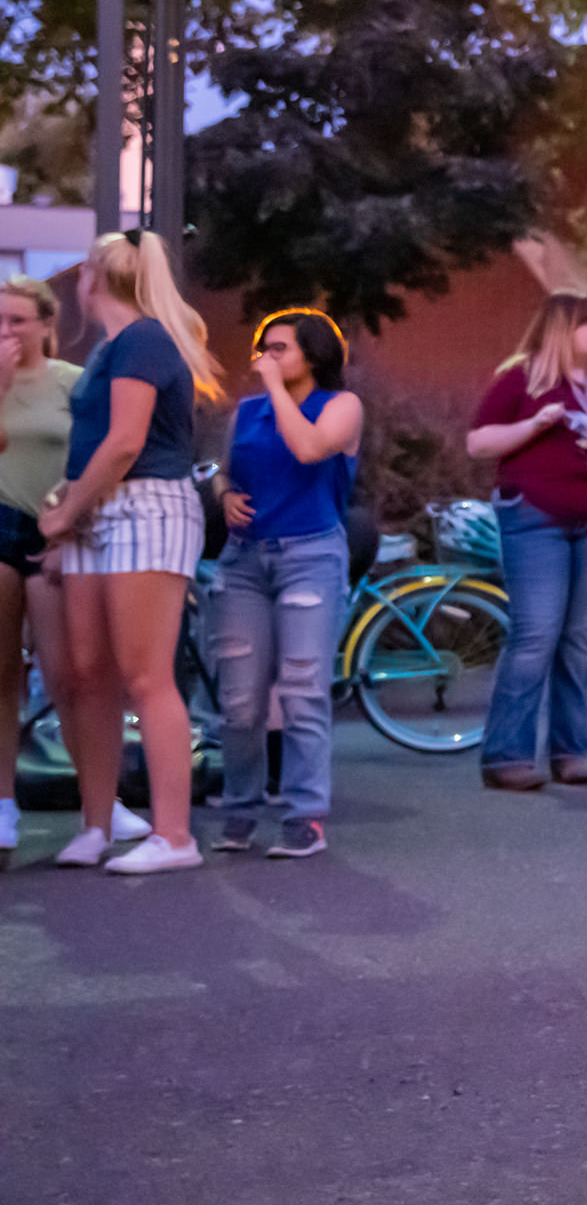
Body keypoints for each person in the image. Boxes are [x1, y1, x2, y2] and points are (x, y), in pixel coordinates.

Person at [40, 230, 223, 874]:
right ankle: (97, 824)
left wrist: (66, 510)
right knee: (88, 674)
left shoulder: (143, 339)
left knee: (145, 675)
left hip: (146, 507)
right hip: (101, 511)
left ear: (94, 279)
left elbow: (125, 442)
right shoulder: (111, 348)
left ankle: (174, 836)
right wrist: (72, 504)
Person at [467, 294, 587, 792]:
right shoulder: (522, 381)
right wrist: (535, 424)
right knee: (536, 633)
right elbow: (478, 443)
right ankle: (506, 756)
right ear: (560, 330)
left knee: (580, 638)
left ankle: (570, 753)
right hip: (535, 518)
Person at [212, 309, 363, 858]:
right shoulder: (246, 411)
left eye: (281, 349)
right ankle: (240, 810)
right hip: (244, 560)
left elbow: (309, 449)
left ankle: (305, 817)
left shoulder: (341, 406)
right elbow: (223, 469)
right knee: (239, 701)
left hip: (310, 556)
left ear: (314, 355)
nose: (267, 358)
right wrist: (224, 494)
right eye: (264, 349)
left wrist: (276, 390)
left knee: (302, 692)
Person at [0, 276, 81, 859]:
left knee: (66, 673)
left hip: (54, 529)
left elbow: (91, 455)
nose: (6, 331)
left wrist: (70, 523)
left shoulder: (72, 381)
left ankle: (101, 799)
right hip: (1, 521)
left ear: (46, 324)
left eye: (17, 320)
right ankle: (4, 803)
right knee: (2, 674)